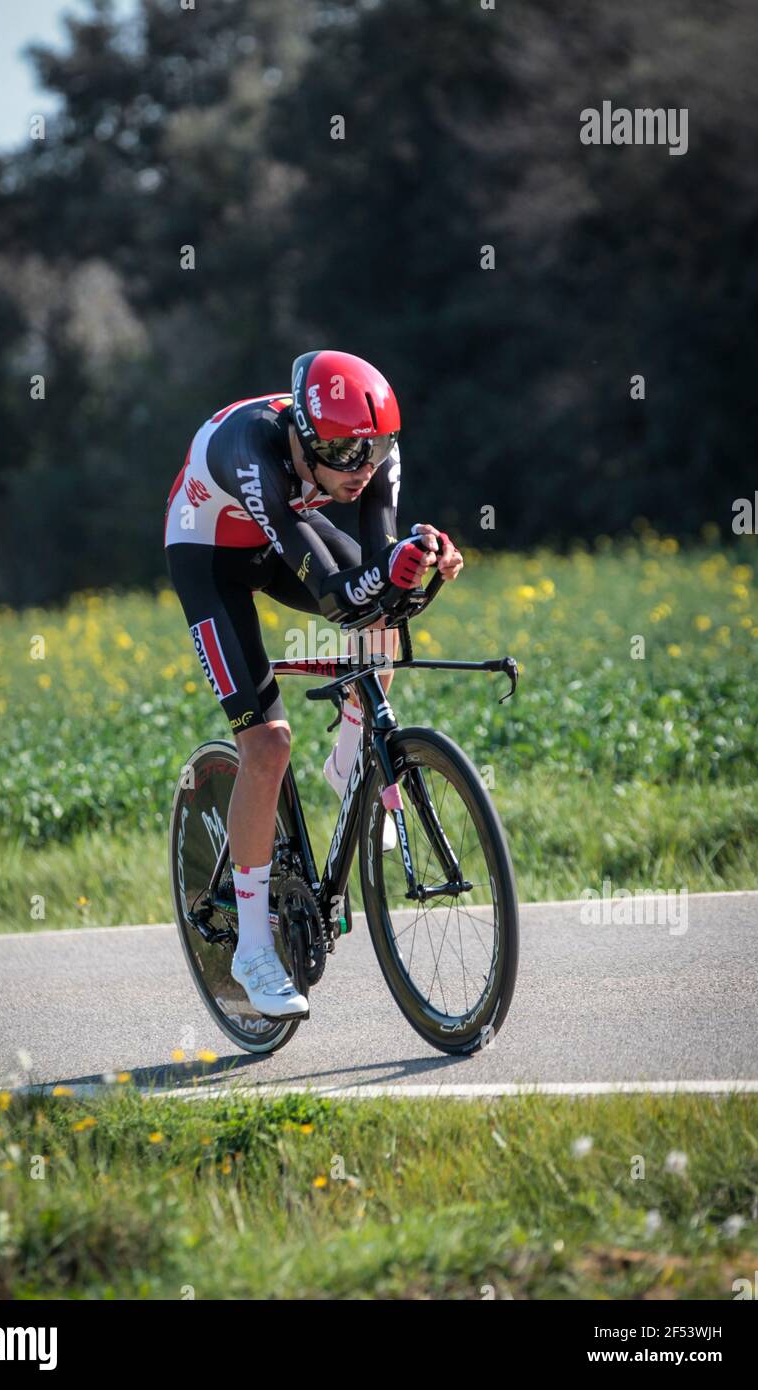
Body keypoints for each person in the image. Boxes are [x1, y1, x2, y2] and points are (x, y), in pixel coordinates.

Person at [164, 350, 463, 1019]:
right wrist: (394, 573)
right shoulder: (252, 454)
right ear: (306, 440)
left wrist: (422, 564)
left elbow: (380, 559)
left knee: (383, 613)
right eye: (346, 458)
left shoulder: (368, 453)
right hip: (208, 554)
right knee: (267, 745)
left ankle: (348, 762)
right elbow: (334, 596)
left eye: (376, 453)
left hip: (275, 540)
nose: (363, 472)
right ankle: (250, 950)